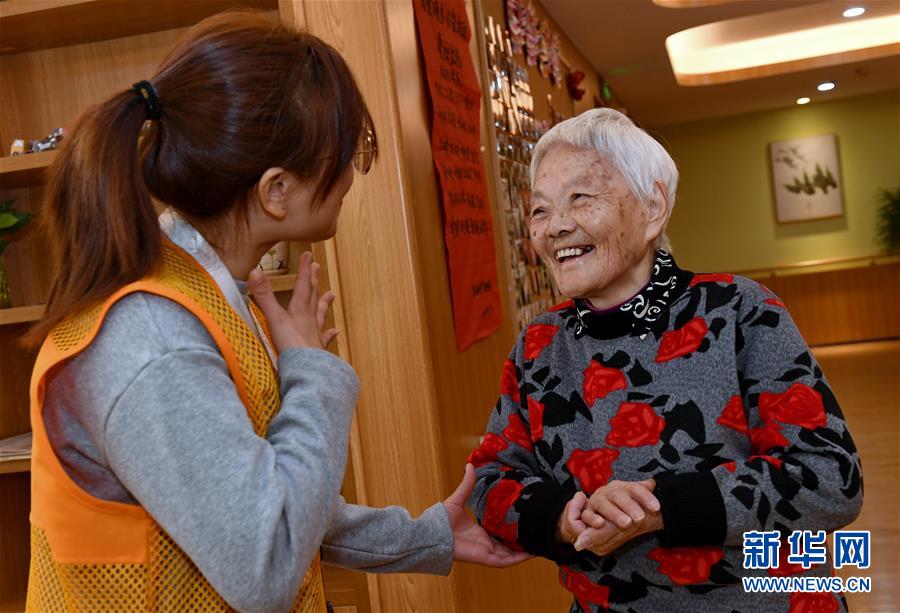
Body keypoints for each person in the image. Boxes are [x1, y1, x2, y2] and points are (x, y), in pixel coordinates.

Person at [25, 11, 526, 613]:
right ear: (276, 191)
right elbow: (265, 562)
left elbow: (275, 500)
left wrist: (427, 536)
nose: (351, 176)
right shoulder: (155, 337)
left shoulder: (210, 297)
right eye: (347, 153)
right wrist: (313, 375)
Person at [467, 108, 862, 612]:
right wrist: (563, 517)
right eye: (540, 210)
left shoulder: (740, 311)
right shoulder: (539, 344)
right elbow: (490, 480)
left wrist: (661, 506)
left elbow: (830, 478)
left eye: (581, 198)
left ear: (653, 208)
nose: (556, 227)